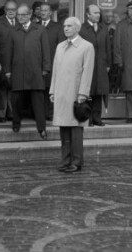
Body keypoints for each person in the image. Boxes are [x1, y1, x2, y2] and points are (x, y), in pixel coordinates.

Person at [50, 17, 94, 173]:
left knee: (75, 129)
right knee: (64, 129)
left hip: (75, 94)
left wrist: (83, 93)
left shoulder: (86, 47)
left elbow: (87, 72)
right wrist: (53, 90)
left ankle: (76, 161)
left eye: (69, 26)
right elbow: (55, 70)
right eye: (64, 26)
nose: (66, 28)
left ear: (77, 28)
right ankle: (65, 160)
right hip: (62, 93)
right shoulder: (60, 47)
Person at [6, 3, 50, 139]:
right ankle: (16, 122)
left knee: (38, 100)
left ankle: (41, 128)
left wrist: (46, 68)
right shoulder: (13, 30)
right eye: (18, 15)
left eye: (23, 14)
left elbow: (46, 51)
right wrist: (7, 70)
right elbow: (8, 52)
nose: (20, 17)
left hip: (35, 70)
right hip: (18, 70)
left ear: (30, 14)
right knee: (16, 99)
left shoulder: (40, 29)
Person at [80, 4, 111, 126]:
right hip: (88, 65)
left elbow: (108, 47)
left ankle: (97, 117)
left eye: (99, 13)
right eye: (95, 13)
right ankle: (88, 118)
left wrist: (108, 63)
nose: (98, 15)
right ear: (88, 15)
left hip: (101, 65)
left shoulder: (103, 29)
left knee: (99, 92)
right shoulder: (82, 29)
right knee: (89, 93)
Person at [0, 0, 19, 122]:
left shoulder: (21, 22)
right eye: (8, 9)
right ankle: (1, 114)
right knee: (2, 88)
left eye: (13, 9)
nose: (11, 11)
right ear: (5, 10)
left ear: (17, 10)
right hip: (2, 60)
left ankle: (12, 113)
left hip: (17, 62)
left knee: (14, 88)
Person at [40, 1, 66, 121]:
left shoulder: (57, 27)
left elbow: (61, 46)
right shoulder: (34, 25)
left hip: (52, 63)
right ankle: (38, 113)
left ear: (50, 12)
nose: (43, 12)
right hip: (37, 64)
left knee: (51, 89)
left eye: (46, 10)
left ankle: (50, 114)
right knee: (39, 90)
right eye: (41, 10)